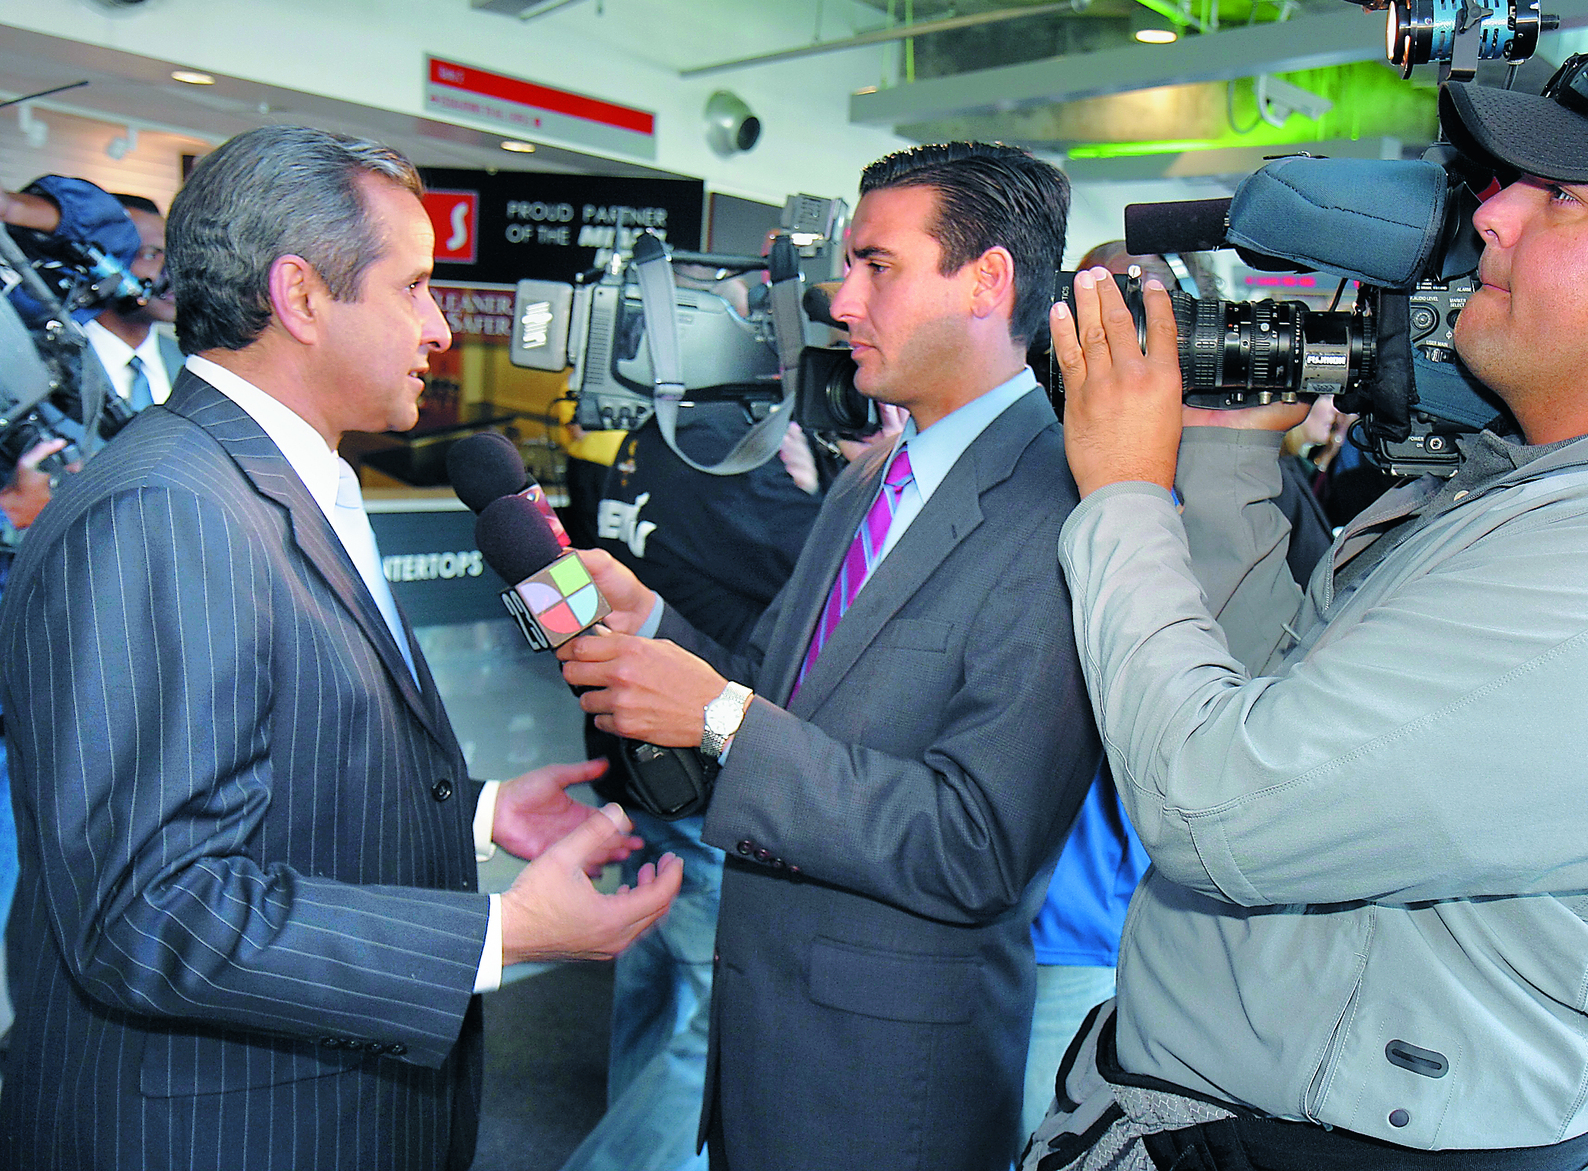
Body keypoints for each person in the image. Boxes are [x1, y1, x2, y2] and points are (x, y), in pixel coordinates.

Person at [1029, 29, 1588, 1171]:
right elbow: (1261, 698)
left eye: (1563, 199)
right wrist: (1232, 462)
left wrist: (1125, 494)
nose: (1492, 217)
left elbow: (1210, 809)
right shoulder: (1537, 498)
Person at [0, 125, 682, 1171]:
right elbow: (153, 911)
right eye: (412, 287)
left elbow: (268, 764)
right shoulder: (167, 512)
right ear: (302, 296)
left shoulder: (282, 480)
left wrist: (484, 813)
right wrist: (502, 937)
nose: (441, 328)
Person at [559, 141, 1103, 1170]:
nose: (840, 301)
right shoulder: (871, 480)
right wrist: (659, 632)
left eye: (877, 267)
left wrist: (720, 716)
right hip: (766, 1037)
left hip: (887, 1087)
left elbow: (976, 844)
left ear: (988, 280)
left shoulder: (1064, 508)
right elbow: (780, 689)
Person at [561, 399, 828, 1171]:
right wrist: (826, 488)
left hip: (649, 777)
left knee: (656, 1009)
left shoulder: (645, 442)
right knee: (713, 1035)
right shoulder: (717, 451)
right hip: (704, 782)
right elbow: (836, 573)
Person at [80, 193, 182, 412]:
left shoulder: (191, 364)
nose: (174, 273)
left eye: (175, 256)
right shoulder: (43, 365)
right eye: (150, 255)